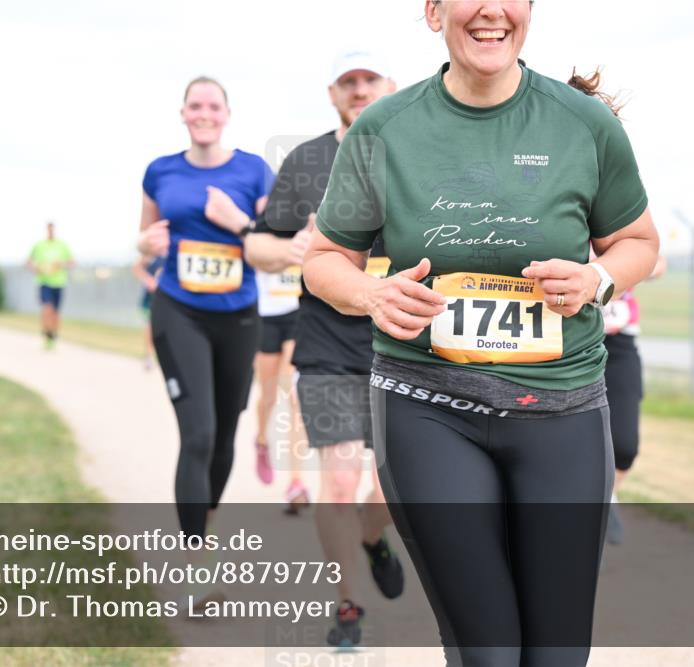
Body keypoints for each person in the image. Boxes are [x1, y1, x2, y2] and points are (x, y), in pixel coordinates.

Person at [302, 2, 660, 665]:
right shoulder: (385, 128)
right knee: (488, 652)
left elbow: (636, 242)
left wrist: (597, 280)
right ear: (435, 12)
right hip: (428, 409)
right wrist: (369, 292)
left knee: (555, 654)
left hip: (563, 411)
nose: (492, 10)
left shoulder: (584, 124)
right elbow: (324, 256)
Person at [245, 51, 405, 648]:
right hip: (328, 344)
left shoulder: (422, 145)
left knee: (395, 488)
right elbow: (258, 244)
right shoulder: (307, 160)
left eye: (370, 79)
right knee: (339, 479)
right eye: (349, 81)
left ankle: (373, 535)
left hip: (408, 346)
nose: (360, 89)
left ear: (391, 85)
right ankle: (348, 607)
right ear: (333, 93)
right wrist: (295, 251)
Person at [136, 76, 274, 605]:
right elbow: (145, 240)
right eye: (195, 105)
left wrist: (238, 221)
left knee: (223, 435)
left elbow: (278, 246)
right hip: (178, 310)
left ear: (227, 113)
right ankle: (195, 560)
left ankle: (205, 528)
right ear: (183, 112)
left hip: (238, 315)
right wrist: (142, 243)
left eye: (213, 105)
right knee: (197, 434)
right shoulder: (160, 171)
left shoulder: (253, 171)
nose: (204, 113)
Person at [602, 256, 666, 544]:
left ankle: (606, 495)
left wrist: (617, 268)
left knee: (625, 446)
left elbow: (656, 262)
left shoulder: (620, 217)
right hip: (566, 339)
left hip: (618, 343)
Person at [251, 266, 301, 486]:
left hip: (296, 313)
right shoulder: (256, 230)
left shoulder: (308, 230)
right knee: (268, 396)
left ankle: (296, 480)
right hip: (265, 315)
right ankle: (261, 440)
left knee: (294, 396)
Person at [28, 222, 74, 350]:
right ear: (46, 230)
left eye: (53, 229)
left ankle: (53, 335)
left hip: (59, 282)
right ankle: (46, 333)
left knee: (55, 312)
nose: (51, 231)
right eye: (49, 229)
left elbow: (72, 262)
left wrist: (61, 264)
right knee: (47, 308)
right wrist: (36, 268)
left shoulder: (62, 245)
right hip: (44, 281)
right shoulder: (39, 245)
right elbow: (29, 262)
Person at [132, 254, 166, 371]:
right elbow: (136, 268)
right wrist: (149, 280)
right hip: (152, 298)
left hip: (170, 297)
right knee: (150, 327)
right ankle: (148, 356)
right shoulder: (153, 248)